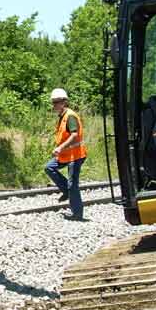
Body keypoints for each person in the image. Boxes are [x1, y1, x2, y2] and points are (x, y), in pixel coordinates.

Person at [44, 88, 88, 220]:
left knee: (72, 185)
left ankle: (78, 214)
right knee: (49, 168)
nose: (54, 105)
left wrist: (60, 147)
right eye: (53, 102)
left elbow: (74, 135)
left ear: (64, 102)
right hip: (65, 155)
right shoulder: (62, 116)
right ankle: (66, 192)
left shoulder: (70, 116)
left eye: (57, 102)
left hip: (76, 155)